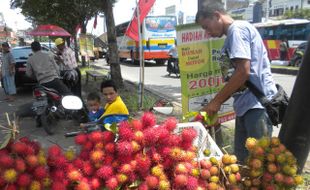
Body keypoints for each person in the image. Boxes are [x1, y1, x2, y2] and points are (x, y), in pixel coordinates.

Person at [195, 2, 277, 162]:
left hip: (256, 106)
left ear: (217, 16)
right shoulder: (233, 34)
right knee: (242, 163)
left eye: (206, 26)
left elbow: (242, 72)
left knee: (259, 165)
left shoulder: (236, 30)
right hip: (245, 107)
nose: (207, 32)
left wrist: (216, 102)